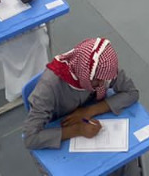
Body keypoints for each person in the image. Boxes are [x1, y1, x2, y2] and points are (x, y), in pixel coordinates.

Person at [22, 37, 140, 174]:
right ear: (85, 73)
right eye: (98, 81)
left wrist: (90, 111)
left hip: (87, 125)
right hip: (59, 135)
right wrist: (77, 130)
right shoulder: (49, 87)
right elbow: (30, 138)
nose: (102, 84)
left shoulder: (103, 69)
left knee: (127, 162)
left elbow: (132, 92)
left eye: (105, 80)